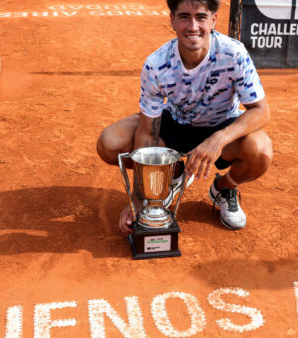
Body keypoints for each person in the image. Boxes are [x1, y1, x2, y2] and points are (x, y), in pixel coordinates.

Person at [96, 0, 272, 234]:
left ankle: (224, 188)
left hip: (221, 126)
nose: (192, 26)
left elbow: (261, 111)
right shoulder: (157, 64)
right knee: (110, 143)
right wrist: (139, 196)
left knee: (260, 151)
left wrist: (217, 140)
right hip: (175, 125)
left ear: (213, 20)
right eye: (184, 17)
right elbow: (148, 131)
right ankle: (170, 175)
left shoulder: (233, 53)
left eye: (200, 17)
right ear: (172, 20)